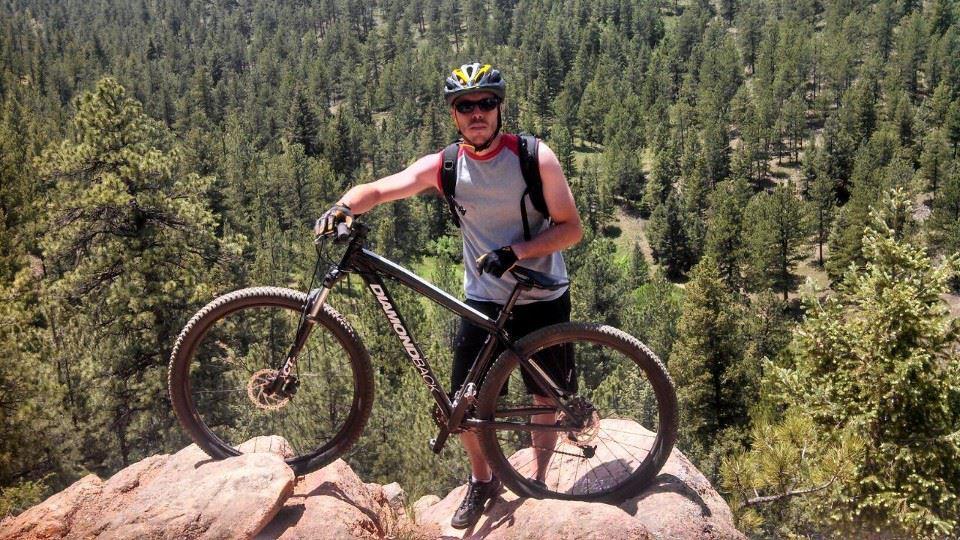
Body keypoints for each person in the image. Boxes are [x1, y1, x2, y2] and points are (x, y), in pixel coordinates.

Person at [315, 62, 583, 529]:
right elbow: (379, 189)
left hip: (541, 295)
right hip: (481, 302)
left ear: (499, 108)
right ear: (454, 115)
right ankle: (483, 482)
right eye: (465, 106)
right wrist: (342, 207)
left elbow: (572, 229)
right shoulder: (447, 166)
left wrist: (516, 252)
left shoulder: (534, 158)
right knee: (462, 403)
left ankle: (538, 481)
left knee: (546, 400)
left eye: (485, 103)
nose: (476, 113)